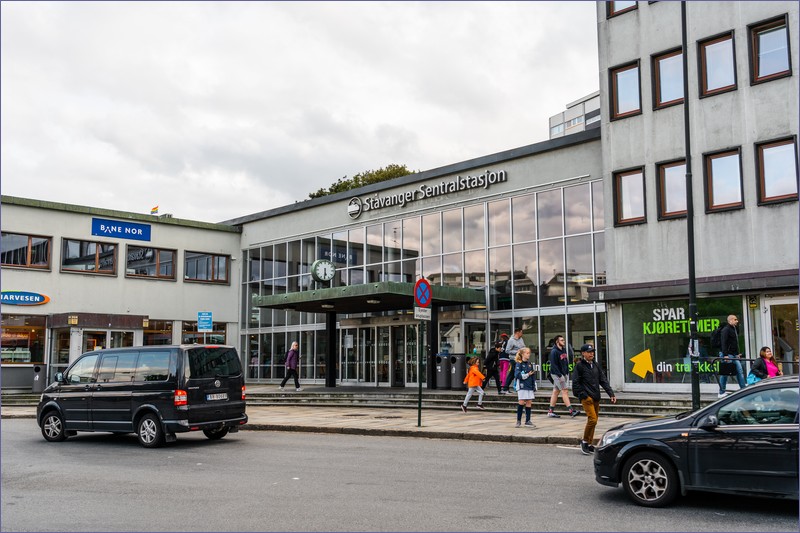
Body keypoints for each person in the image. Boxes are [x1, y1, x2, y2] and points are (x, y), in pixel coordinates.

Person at [572, 344, 616, 455]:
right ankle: (584, 441)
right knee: (592, 419)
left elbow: (603, 380)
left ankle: (589, 443)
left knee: (594, 421)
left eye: (592, 351)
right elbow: (575, 383)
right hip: (587, 398)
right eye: (589, 352)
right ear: (583, 353)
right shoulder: (579, 366)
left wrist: (611, 393)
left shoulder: (595, 365)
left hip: (596, 397)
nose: (592, 353)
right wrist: (584, 396)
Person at [547, 335, 579, 418]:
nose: (563, 341)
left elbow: (565, 361)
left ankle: (550, 411)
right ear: (557, 342)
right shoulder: (554, 352)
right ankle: (571, 411)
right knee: (565, 391)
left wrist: (566, 372)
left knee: (555, 392)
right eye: (561, 340)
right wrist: (560, 375)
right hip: (557, 374)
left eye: (563, 340)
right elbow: (553, 365)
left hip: (563, 374)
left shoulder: (563, 350)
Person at [718, 314, 746, 398]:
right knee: (725, 373)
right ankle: (721, 392)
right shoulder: (726, 330)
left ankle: (743, 389)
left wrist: (737, 353)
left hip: (733, 354)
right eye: (735, 319)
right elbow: (724, 342)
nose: (737, 321)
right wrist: (725, 355)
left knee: (739, 371)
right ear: (730, 320)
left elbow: (735, 343)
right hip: (728, 354)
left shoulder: (734, 329)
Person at [513, 347, 536, 428]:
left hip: (529, 385)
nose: (528, 354)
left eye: (529, 353)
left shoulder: (530, 364)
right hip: (522, 386)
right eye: (527, 353)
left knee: (529, 402)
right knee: (521, 402)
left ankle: (528, 420)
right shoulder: (519, 364)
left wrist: (534, 385)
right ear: (522, 354)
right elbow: (517, 375)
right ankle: (518, 420)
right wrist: (527, 375)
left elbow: (533, 375)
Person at [501, 328, 525, 394]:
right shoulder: (511, 340)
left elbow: (523, 346)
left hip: (520, 358)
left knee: (512, 374)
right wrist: (517, 351)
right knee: (517, 372)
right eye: (521, 332)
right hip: (514, 359)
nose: (522, 334)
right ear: (517, 333)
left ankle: (505, 388)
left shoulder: (521, 339)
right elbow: (507, 350)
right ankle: (520, 387)